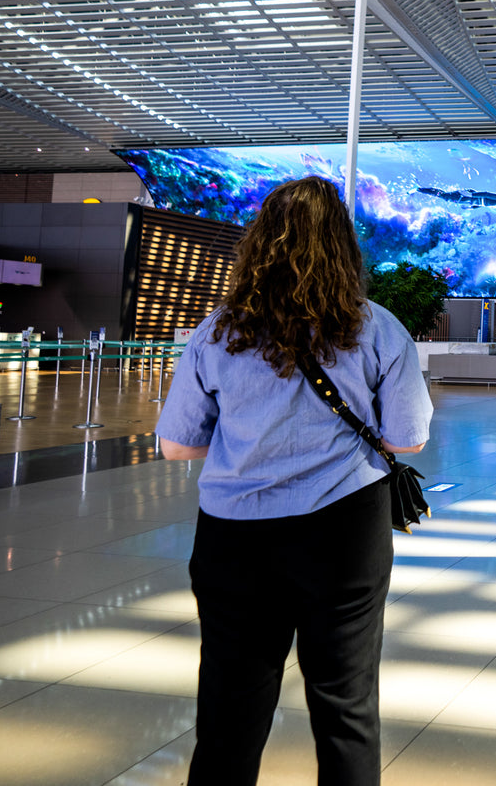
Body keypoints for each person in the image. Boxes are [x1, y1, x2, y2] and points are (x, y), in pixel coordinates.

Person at [155, 176, 432, 786]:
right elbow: (407, 439)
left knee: (229, 709)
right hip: (345, 532)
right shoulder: (378, 328)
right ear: (343, 246)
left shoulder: (217, 331)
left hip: (233, 535)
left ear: (257, 243)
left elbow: (177, 445)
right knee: (346, 706)